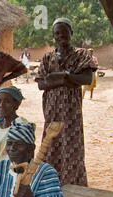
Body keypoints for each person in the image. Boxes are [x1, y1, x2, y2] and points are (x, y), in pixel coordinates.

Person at [36, 18, 97, 187]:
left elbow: (86, 78)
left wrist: (61, 76)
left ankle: (74, 185)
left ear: (71, 33)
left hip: (71, 112)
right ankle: (51, 185)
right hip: (52, 110)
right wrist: (66, 79)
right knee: (51, 145)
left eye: (64, 32)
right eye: (57, 33)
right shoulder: (48, 58)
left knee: (72, 147)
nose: (61, 36)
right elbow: (41, 84)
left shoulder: (81, 55)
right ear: (53, 36)